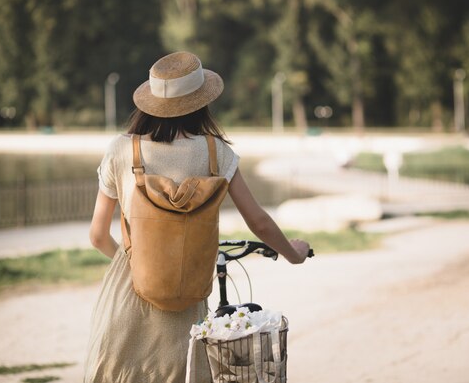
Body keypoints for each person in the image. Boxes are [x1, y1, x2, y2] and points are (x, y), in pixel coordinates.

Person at [83, 51, 310, 383]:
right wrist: (294, 254)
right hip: (186, 299)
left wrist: (141, 258)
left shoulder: (121, 150)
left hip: (126, 299)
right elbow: (258, 221)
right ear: (201, 102)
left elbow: (98, 236)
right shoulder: (217, 152)